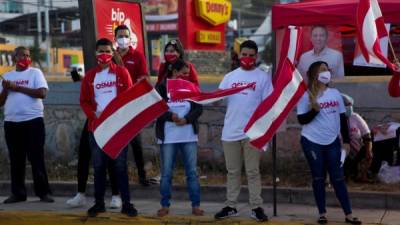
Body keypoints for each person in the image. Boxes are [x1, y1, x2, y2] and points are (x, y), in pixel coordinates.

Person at [214, 40, 273, 222]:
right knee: (232, 172)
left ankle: (256, 207)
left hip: (252, 133)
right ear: (239, 56)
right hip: (230, 132)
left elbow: (269, 105)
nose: (247, 58)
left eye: (251, 55)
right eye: (244, 55)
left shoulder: (263, 78)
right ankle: (231, 206)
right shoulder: (230, 77)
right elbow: (218, 99)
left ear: (256, 57)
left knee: (253, 171)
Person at [297, 61, 361, 224]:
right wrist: (314, 111)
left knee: (338, 178)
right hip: (312, 142)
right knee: (318, 178)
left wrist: (346, 141)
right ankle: (322, 213)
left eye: (328, 70)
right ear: (314, 74)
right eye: (323, 70)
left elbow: (342, 118)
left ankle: (349, 214)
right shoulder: (306, 95)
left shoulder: (335, 93)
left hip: (332, 142)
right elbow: (301, 120)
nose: (327, 72)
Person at [80, 38, 136, 217]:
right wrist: (93, 114)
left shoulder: (122, 73)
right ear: (96, 54)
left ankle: (127, 204)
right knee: (98, 167)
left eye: (107, 51)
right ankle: (99, 204)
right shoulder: (90, 76)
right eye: (100, 51)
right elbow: (84, 101)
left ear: (113, 54)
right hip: (97, 128)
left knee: (120, 167)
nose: (104, 54)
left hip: (118, 128)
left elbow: (130, 96)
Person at [0, 46, 53, 203]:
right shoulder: (6, 77)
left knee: (36, 158)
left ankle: (43, 192)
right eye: (22, 55)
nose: (26, 58)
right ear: (15, 57)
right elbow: (0, 102)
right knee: (16, 159)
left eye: (28, 55)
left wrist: (18, 87)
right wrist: (6, 89)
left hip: (33, 122)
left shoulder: (35, 73)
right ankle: (18, 193)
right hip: (12, 123)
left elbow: (42, 93)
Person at [155, 59, 203, 217]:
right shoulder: (161, 87)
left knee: (192, 173)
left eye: (188, 73)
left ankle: (196, 205)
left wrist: (187, 120)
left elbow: (199, 108)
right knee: (167, 173)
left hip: (188, 136)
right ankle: (164, 205)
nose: (186, 76)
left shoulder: (192, 87)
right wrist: (171, 116)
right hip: (168, 137)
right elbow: (155, 109)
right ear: (174, 72)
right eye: (183, 73)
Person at [113, 24, 150, 187]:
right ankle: (115, 178)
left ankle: (142, 175)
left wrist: (122, 67)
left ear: (130, 38)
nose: (123, 39)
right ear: (115, 39)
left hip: (132, 106)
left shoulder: (137, 56)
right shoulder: (110, 57)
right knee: (115, 143)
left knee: (136, 143)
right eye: (120, 36)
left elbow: (144, 79)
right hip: (114, 106)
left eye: (125, 36)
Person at [341, 94, 373, 182]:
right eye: (346, 105)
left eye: (350, 105)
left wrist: (368, 151)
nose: (349, 108)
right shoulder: (333, 119)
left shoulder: (355, 117)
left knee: (368, 155)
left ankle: (362, 176)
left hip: (356, 151)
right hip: (341, 152)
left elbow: (367, 135)